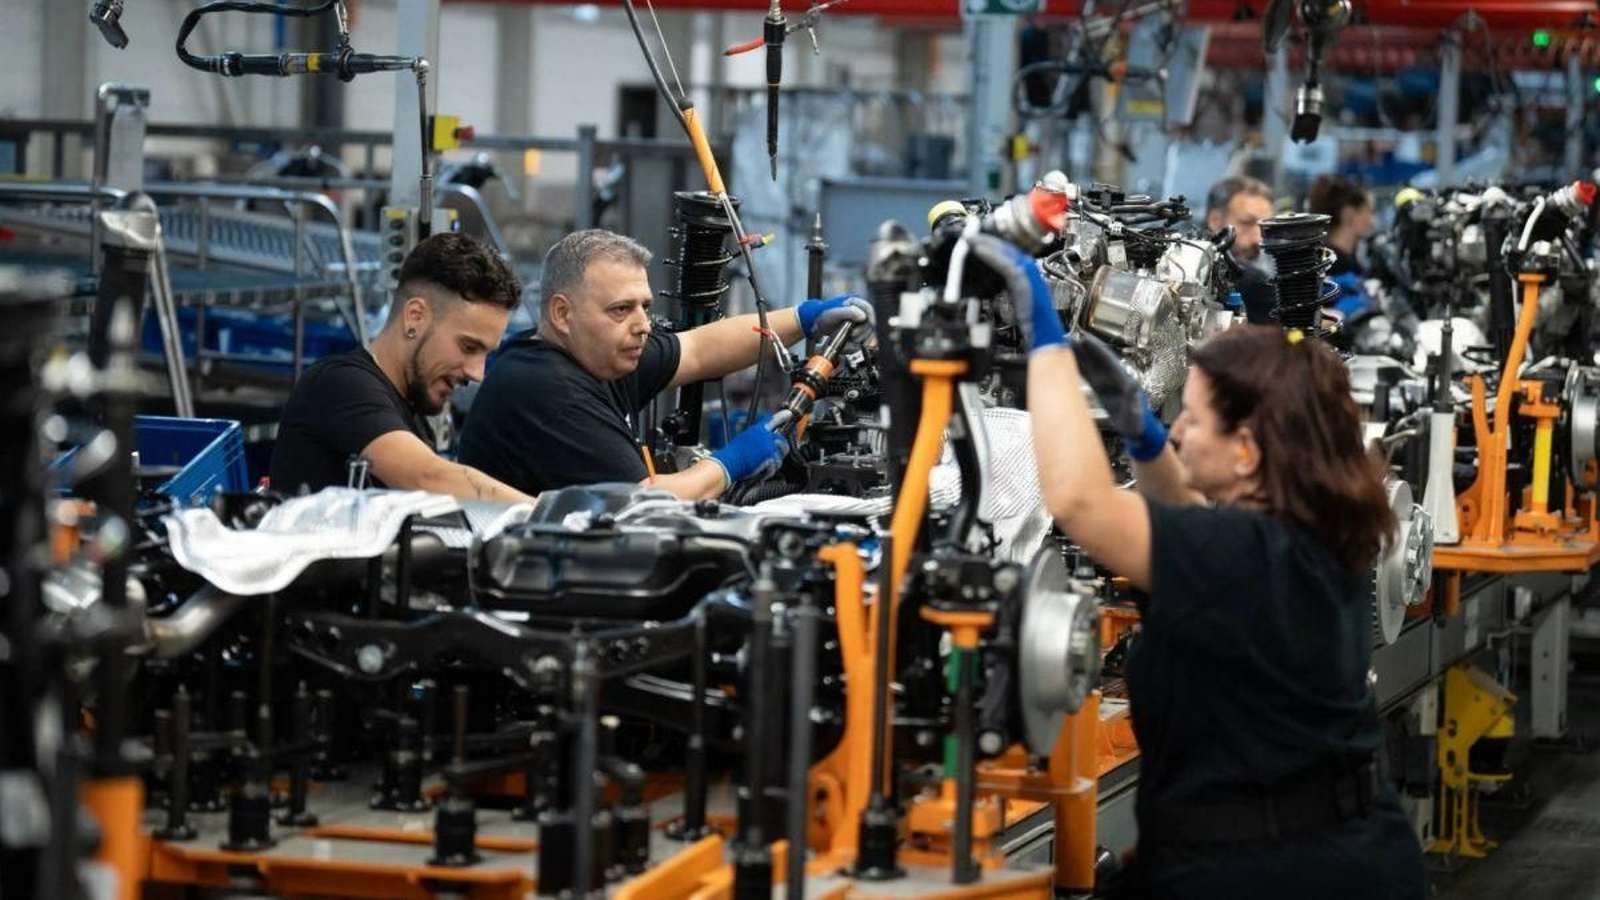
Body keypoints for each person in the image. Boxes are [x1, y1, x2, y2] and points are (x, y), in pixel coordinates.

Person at [1010, 241, 1426, 898]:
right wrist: (1145, 441)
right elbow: (1187, 524)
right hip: (1316, 854)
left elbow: (1081, 504)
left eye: (1192, 420)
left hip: (1279, 875)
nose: (1179, 433)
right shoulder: (1301, 530)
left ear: (1245, 451)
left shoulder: (1251, 553)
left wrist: (1046, 345)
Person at [458, 229, 872, 500]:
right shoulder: (546, 388)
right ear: (563, 314)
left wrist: (804, 317)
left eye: (644, 306)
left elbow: (697, 349)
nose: (642, 325)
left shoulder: (597, 353)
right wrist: (733, 462)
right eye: (621, 309)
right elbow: (646, 503)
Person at [269, 232, 536, 503]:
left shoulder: (413, 418)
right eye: (468, 347)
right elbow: (428, 477)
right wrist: (542, 513)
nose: (477, 373)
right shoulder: (340, 384)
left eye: (485, 354)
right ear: (415, 317)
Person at [1204, 175, 1277, 325]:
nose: (1258, 239)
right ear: (1215, 220)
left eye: (1265, 227)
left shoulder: (1262, 276)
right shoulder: (1254, 283)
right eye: (1247, 223)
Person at [1308, 174, 1379, 320]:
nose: (1373, 222)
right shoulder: (1337, 265)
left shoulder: (1321, 257)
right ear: (1349, 214)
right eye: (1369, 212)